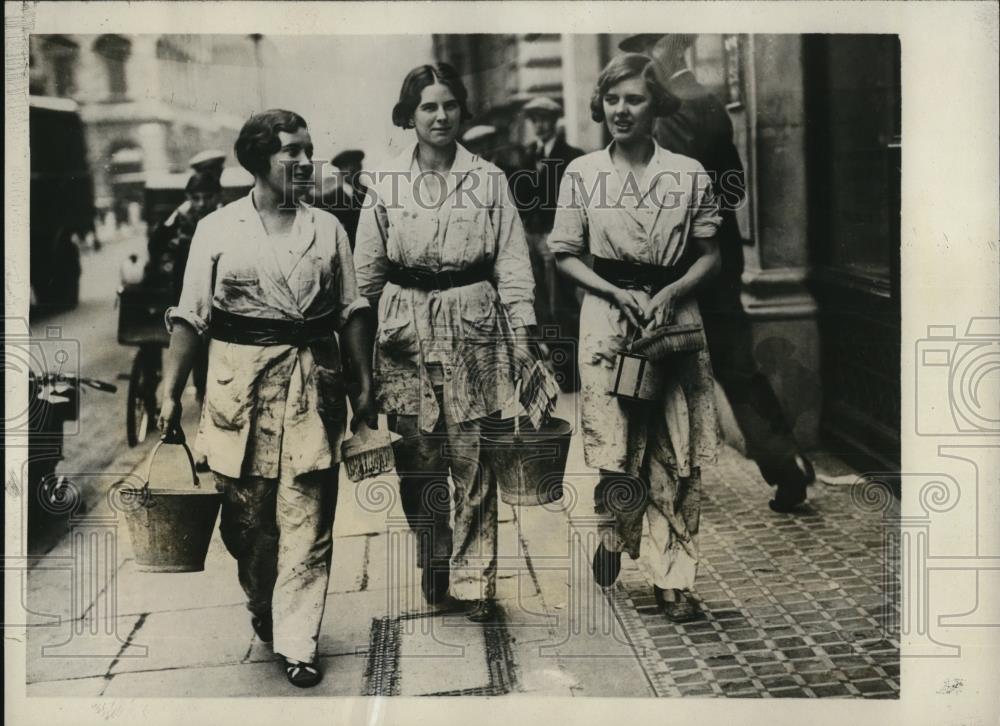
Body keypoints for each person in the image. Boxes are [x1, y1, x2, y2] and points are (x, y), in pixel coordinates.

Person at [157, 109, 376, 688]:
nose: (306, 162)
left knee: (309, 519)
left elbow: (352, 310)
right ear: (259, 159)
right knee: (248, 528)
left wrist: (362, 380)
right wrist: (169, 388)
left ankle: (299, 640)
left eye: (308, 150)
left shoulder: (326, 229)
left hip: (312, 384)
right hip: (238, 391)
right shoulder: (218, 228)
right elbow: (191, 316)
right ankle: (262, 604)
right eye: (291, 152)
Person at [354, 63, 537, 623]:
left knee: (475, 458)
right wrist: (356, 356)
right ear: (409, 115)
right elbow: (365, 276)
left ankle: (475, 578)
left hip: (475, 327)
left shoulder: (489, 180)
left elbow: (512, 262)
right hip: (405, 332)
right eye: (428, 107)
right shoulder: (384, 184)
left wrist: (524, 336)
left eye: (449, 105)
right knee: (417, 459)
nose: (440, 116)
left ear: (463, 110)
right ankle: (433, 551)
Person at [548, 53, 722, 623]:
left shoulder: (688, 172)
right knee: (618, 452)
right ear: (601, 105)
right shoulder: (583, 174)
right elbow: (565, 254)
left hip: (671, 321)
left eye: (634, 100)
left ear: (656, 108)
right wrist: (614, 292)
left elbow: (711, 256)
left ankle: (673, 580)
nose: (621, 111)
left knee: (676, 452)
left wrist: (670, 293)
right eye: (613, 99)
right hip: (608, 321)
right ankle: (614, 533)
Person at [619, 33, 816, 512]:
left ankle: (629, 483)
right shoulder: (704, 99)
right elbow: (734, 187)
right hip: (715, 261)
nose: (643, 62)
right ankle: (786, 464)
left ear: (670, 48)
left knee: (637, 367)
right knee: (735, 366)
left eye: (648, 49)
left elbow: (670, 190)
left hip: (672, 264)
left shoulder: (673, 105)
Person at [143, 172, 222, 468]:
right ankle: (205, 446)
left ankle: (209, 445)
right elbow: (155, 245)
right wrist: (176, 217)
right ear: (188, 199)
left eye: (207, 197)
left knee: (214, 376)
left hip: (221, 309)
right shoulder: (181, 221)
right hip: (189, 308)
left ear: (218, 196)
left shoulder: (226, 222)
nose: (201, 203)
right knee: (200, 377)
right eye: (195, 198)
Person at [519, 96, 584, 392]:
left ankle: (572, 373)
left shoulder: (572, 157)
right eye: (535, 120)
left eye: (545, 119)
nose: (540, 125)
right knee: (542, 306)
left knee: (563, 304)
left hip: (558, 239)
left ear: (556, 121)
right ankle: (560, 369)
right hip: (532, 239)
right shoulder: (527, 156)